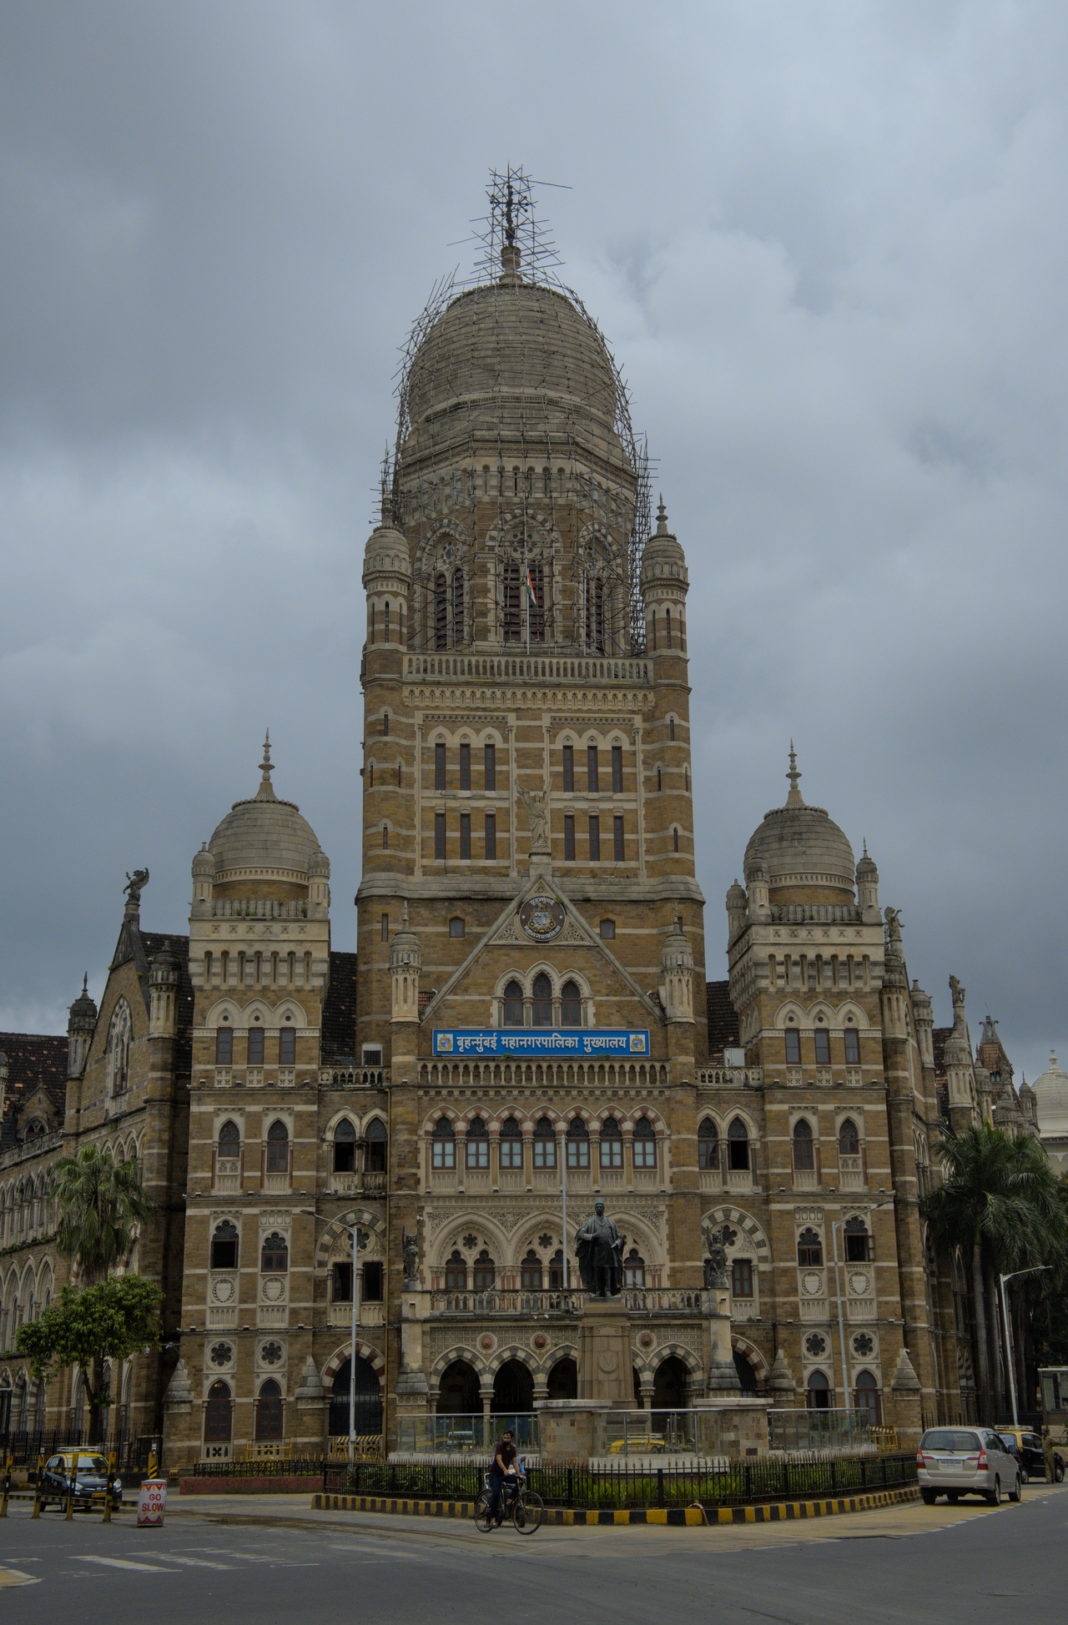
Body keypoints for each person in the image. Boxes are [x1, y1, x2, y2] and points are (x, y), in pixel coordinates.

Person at [487, 1428, 518, 1527]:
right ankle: (492, 1519)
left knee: (518, 1482)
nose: (505, 1439)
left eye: (507, 1438)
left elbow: (515, 1462)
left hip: (504, 1475)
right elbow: (499, 1460)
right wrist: (505, 1470)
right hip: (495, 1474)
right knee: (495, 1494)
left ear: (511, 1439)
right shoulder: (499, 1447)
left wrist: (519, 1474)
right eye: (504, 1437)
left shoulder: (513, 1449)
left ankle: (509, 1500)